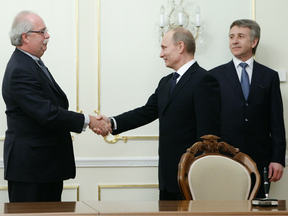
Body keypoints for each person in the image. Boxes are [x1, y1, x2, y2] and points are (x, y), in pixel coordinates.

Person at [96, 27, 221, 200]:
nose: (161, 54)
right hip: (167, 175)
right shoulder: (166, 82)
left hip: (192, 176)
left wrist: (199, 173)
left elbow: (208, 136)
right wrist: (112, 122)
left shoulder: (204, 80)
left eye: (164, 48)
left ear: (180, 46)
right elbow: (147, 112)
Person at [2, 10, 111, 202]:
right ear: (25, 37)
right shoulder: (21, 69)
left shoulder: (31, 63)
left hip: (43, 167)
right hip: (32, 169)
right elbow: (47, 114)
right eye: (42, 32)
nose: (47, 36)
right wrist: (89, 120)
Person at [210, 19, 286, 198]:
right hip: (225, 156)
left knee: (259, 207)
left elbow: (277, 122)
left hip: (260, 158)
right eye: (231, 37)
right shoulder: (214, 76)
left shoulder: (269, 76)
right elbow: (211, 119)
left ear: (254, 41)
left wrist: (278, 158)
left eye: (240, 36)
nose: (234, 41)